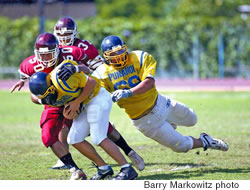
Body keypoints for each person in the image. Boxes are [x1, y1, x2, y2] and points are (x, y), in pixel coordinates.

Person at [58, 35, 229, 156]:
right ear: (106, 57)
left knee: (193, 119)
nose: (118, 57)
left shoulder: (139, 57)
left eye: (120, 52)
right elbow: (92, 89)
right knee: (181, 146)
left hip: (161, 103)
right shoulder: (102, 73)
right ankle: (205, 141)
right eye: (113, 55)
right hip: (144, 120)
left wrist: (128, 92)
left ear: (125, 48)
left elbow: (149, 83)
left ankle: (171, 123)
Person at [53, 17, 144, 171]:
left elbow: (99, 68)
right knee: (66, 128)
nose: (63, 38)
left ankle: (129, 152)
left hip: (90, 92)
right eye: (60, 35)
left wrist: (80, 72)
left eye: (67, 34)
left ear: (74, 33)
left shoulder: (84, 47)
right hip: (71, 94)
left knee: (103, 131)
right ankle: (66, 160)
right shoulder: (54, 48)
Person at [28, 60, 138, 180]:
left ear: (50, 87)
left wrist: (76, 102)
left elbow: (91, 82)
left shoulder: (62, 79)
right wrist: (71, 109)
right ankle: (103, 169)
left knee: (98, 138)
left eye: (47, 95)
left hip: (97, 97)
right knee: (74, 139)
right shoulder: (45, 96)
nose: (47, 100)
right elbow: (39, 99)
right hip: (85, 104)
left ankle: (127, 169)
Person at [10, 32, 99, 179]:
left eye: (49, 54)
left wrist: (76, 68)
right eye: (42, 55)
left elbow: (87, 70)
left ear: (57, 50)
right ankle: (75, 170)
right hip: (52, 103)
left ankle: (121, 158)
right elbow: (30, 84)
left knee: (101, 130)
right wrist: (38, 96)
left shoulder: (69, 54)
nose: (45, 59)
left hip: (74, 98)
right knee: (47, 137)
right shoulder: (30, 64)